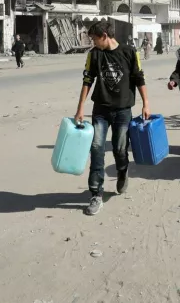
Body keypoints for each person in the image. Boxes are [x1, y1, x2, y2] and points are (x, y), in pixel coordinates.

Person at [75, 21, 150, 216]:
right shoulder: (94, 55)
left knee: (119, 147)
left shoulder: (130, 53)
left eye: (94, 38)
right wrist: (81, 107)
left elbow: (139, 78)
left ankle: (122, 171)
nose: (93, 42)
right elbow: (87, 80)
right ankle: (96, 194)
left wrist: (146, 103)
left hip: (123, 110)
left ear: (104, 36)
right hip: (100, 109)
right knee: (97, 147)